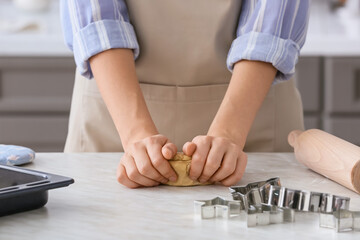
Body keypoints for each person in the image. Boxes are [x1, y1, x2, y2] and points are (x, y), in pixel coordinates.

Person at [60, 0, 309, 188]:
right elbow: (96, 18)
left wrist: (230, 134)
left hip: (253, 120)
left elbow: (272, 22)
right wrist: (135, 134)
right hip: (113, 124)